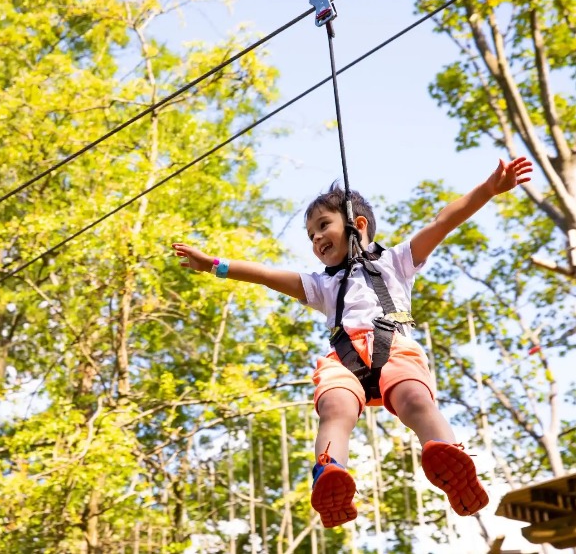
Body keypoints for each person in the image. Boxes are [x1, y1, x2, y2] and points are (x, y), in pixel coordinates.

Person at [172, 156, 533, 528]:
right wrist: (214, 265)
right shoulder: (321, 285)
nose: (315, 239)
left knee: (414, 399)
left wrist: (488, 190)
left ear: (357, 225)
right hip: (344, 360)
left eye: (323, 226)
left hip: (393, 348)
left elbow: (443, 221)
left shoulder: (397, 262)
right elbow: (265, 275)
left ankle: (447, 455)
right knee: (334, 408)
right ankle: (330, 472)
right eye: (310, 235)